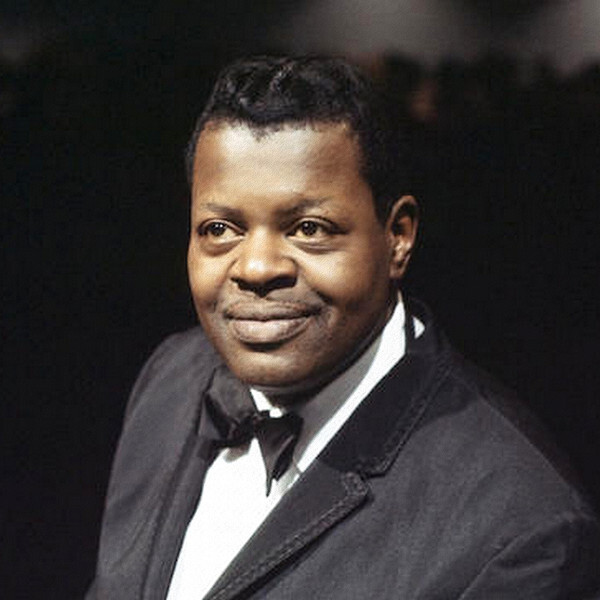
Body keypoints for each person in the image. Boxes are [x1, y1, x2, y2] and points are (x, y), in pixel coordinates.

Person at [86, 56, 600, 600]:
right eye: (219, 229)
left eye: (309, 228)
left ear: (397, 237)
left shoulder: (523, 528)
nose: (256, 268)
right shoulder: (171, 377)